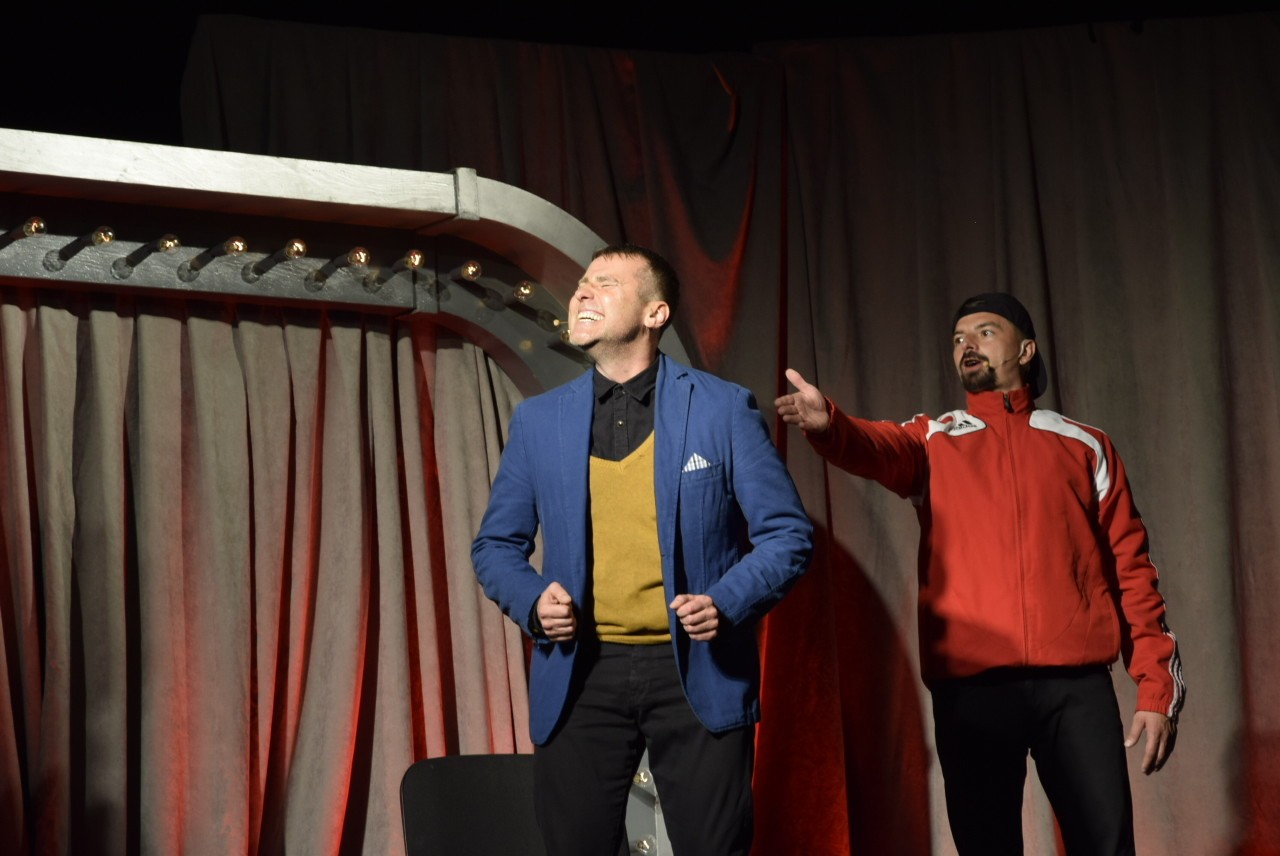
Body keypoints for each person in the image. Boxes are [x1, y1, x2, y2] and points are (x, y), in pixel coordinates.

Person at [775, 292, 1184, 855]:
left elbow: (1131, 570)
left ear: (1026, 349)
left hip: (1076, 689)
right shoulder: (933, 440)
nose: (966, 345)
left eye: (985, 332)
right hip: (974, 694)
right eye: (958, 339)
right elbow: (874, 446)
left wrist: (1156, 689)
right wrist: (830, 425)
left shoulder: (1086, 445)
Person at [471, 243, 812, 856]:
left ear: (655, 314)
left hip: (697, 669)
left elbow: (787, 533)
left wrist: (725, 602)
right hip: (580, 671)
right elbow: (496, 544)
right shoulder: (539, 421)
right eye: (582, 282)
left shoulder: (722, 408)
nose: (582, 291)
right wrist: (532, 601)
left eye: (605, 283)